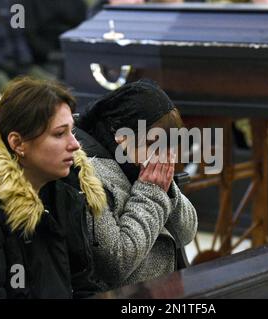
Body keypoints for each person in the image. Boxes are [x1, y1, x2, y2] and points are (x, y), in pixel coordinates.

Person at [0, 77, 107, 298]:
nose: (75, 144)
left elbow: (83, 285)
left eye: (72, 131)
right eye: (59, 134)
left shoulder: (64, 193)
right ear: (18, 143)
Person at [73, 80, 198, 291]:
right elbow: (115, 264)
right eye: (154, 144)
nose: (164, 156)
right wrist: (151, 193)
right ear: (121, 137)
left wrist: (166, 188)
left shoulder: (142, 166)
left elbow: (186, 233)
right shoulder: (88, 174)